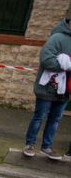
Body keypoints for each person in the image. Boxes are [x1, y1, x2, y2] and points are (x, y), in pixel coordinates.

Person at [23, 18, 71, 160]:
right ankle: (29, 144)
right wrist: (66, 65)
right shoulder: (57, 38)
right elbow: (46, 60)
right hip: (48, 87)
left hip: (65, 90)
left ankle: (46, 146)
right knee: (39, 117)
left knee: (55, 119)